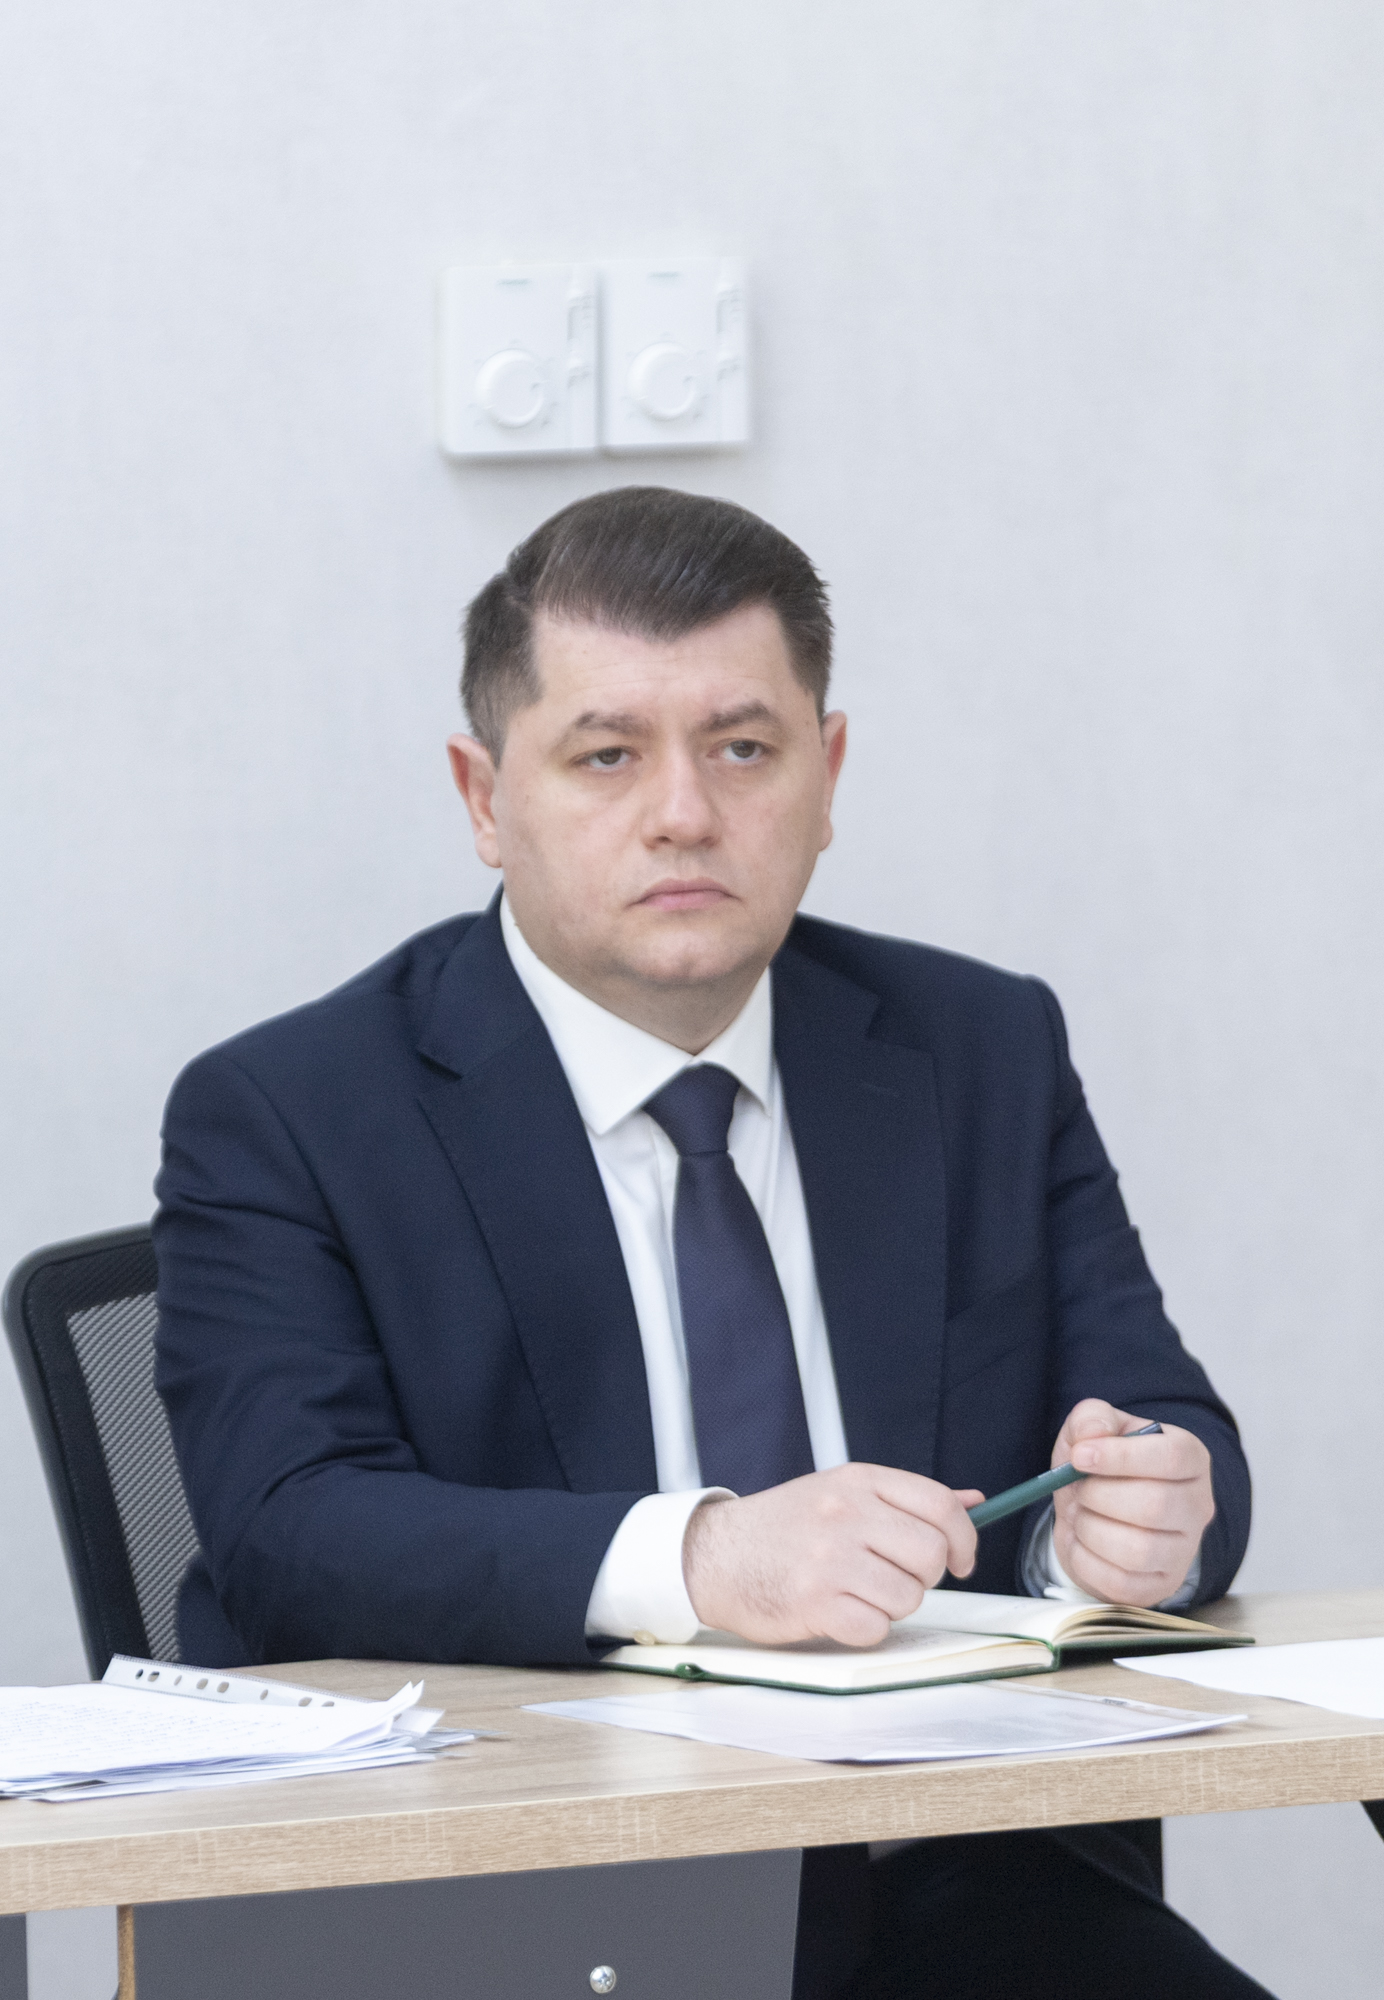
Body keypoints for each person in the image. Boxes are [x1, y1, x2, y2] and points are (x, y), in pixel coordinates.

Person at [150, 486, 1262, 1997]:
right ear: (484, 797)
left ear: (828, 773)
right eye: (606, 756)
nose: (683, 813)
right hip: (502, 1904)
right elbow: (289, 1531)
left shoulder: (980, 1048)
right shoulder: (291, 1111)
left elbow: (1164, 1420)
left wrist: (1129, 1528)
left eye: (743, 749)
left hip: (951, 1880)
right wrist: (703, 1558)